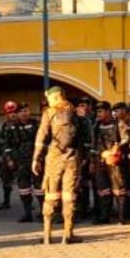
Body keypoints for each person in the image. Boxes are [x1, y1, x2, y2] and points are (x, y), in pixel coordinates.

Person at [33, 86, 84, 245]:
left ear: (56, 97)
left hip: (54, 158)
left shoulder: (49, 113)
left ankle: (47, 236)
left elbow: (42, 135)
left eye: (49, 98)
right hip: (72, 158)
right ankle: (67, 235)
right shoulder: (75, 112)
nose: (48, 101)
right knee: (69, 196)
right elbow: (83, 136)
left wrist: (36, 158)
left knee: (50, 195)